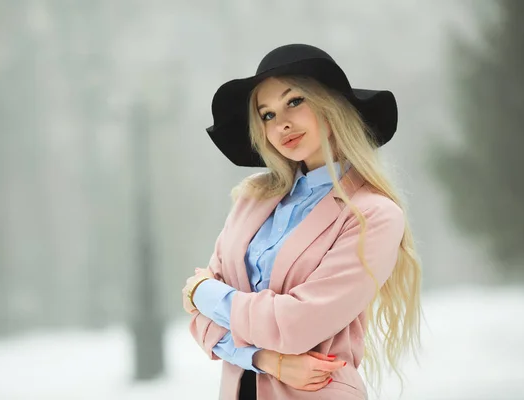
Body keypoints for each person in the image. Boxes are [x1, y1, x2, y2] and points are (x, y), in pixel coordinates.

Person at [181, 43, 422, 400]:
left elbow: (296, 324)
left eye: (294, 101)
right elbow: (201, 325)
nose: (282, 124)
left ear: (330, 104)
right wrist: (265, 359)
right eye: (267, 115)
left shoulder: (372, 214)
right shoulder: (252, 200)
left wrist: (205, 293)